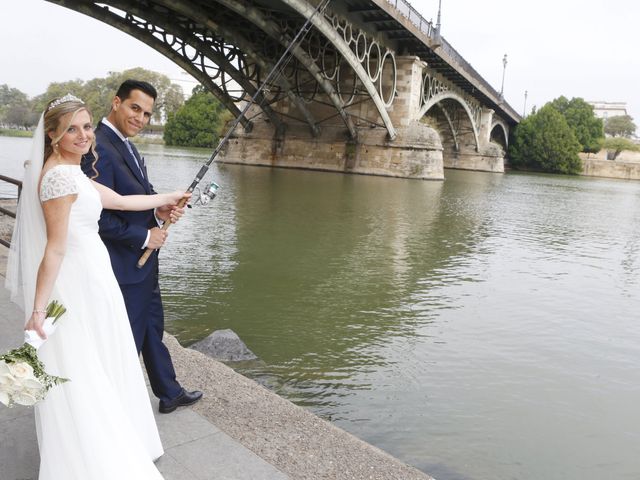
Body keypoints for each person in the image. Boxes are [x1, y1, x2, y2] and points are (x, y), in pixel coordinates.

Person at [6, 95, 188, 478]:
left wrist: (168, 198)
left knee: (103, 360)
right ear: (52, 134)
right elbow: (54, 250)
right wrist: (38, 311)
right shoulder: (57, 178)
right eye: (71, 128)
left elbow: (120, 201)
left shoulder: (74, 172)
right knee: (83, 367)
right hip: (74, 283)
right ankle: (91, 457)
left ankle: (116, 439)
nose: (84, 135)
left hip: (96, 278)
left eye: (87, 126)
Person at [80, 80, 202, 413]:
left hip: (143, 264)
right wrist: (146, 237)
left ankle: (169, 391)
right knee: (126, 341)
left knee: (151, 327)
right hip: (124, 264)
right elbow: (97, 215)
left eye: (147, 114)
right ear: (116, 103)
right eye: (135, 109)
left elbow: (129, 200)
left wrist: (157, 211)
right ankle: (110, 411)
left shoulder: (128, 146)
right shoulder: (98, 147)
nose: (141, 119)